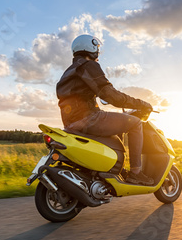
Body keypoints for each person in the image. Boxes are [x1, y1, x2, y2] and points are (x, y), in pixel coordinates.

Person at [56, 34, 154, 185]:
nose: (98, 53)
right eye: (97, 48)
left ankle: (115, 169)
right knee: (135, 123)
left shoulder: (69, 72)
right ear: (90, 47)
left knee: (117, 128)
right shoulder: (88, 66)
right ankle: (136, 172)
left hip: (70, 122)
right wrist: (139, 103)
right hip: (88, 118)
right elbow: (110, 95)